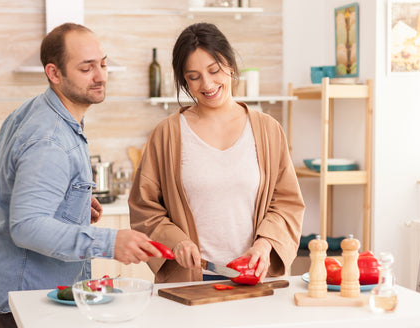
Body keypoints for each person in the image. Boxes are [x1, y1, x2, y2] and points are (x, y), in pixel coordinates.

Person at [0, 23, 160, 328]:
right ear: (54, 73)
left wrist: (69, 203)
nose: (100, 76)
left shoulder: (39, 110)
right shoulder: (51, 138)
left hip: (5, 286)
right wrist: (110, 241)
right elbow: (26, 227)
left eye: (103, 65)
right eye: (86, 67)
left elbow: (9, 190)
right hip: (23, 293)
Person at [129, 22, 304, 284]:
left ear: (230, 65)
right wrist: (176, 242)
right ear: (183, 80)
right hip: (189, 282)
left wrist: (266, 244)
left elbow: (287, 204)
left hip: (254, 278)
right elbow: (145, 209)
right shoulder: (166, 134)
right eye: (194, 76)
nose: (207, 84)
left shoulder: (268, 130)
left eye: (214, 70)